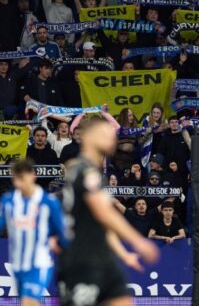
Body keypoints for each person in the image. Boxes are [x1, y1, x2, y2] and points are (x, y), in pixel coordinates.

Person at [58, 117, 159, 306]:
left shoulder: (93, 172)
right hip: (81, 262)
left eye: (112, 135)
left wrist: (123, 254)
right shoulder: (84, 170)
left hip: (104, 261)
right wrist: (138, 241)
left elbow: (102, 223)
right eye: (104, 134)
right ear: (88, 137)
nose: (112, 139)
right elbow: (103, 211)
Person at [0, 159, 66, 306]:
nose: (18, 184)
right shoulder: (8, 201)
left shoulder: (48, 202)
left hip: (39, 263)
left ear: (33, 176)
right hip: (17, 265)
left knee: (28, 303)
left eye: (22, 179)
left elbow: (62, 231)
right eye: (15, 179)